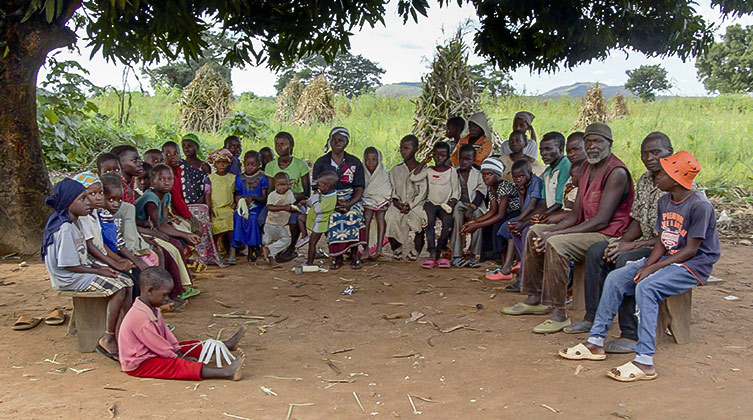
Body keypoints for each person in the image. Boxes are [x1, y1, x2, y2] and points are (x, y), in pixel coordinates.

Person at [559, 150, 719, 382]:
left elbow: (691, 250)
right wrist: (648, 264)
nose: (656, 177)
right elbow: (665, 240)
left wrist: (652, 269)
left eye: (662, 174)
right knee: (616, 278)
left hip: (693, 266)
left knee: (647, 287)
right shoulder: (665, 201)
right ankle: (595, 342)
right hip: (670, 257)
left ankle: (645, 360)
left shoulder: (699, 206)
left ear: (675, 179)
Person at [502, 122, 634, 334]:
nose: (592, 146)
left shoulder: (616, 172)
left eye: (598, 142)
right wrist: (549, 229)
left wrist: (556, 234)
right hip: (588, 228)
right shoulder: (587, 169)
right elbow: (575, 214)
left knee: (556, 244)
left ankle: (559, 312)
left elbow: (601, 220)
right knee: (535, 230)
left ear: (609, 144)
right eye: (589, 142)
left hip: (608, 234)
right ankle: (535, 297)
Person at [563, 132, 676, 353]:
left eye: (656, 153)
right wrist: (621, 242)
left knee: (624, 261)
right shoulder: (645, 179)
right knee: (598, 251)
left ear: (669, 153)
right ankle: (593, 317)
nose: (649, 158)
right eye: (645, 154)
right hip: (644, 241)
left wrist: (628, 247)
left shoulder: (677, 182)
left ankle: (631, 334)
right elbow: (636, 219)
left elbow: (672, 235)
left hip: (666, 248)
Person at [42, 178, 133, 362]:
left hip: (78, 271)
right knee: (118, 288)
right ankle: (108, 337)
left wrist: (99, 267)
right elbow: (69, 265)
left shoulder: (75, 223)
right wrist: (99, 271)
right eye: (82, 199)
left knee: (127, 282)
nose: (87, 202)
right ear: (68, 202)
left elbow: (81, 256)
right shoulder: (65, 228)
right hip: (68, 277)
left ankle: (128, 331)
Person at [118, 267, 246, 381]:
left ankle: (226, 345)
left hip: (152, 351)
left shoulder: (152, 308)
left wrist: (176, 349)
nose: (167, 299)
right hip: (139, 364)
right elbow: (158, 345)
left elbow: (165, 334)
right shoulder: (141, 318)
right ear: (150, 291)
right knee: (177, 366)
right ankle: (226, 372)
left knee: (186, 346)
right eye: (165, 295)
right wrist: (178, 358)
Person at [311, 127, 366, 270]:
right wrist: (331, 202)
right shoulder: (321, 162)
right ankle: (337, 256)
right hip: (328, 198)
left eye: (340, 140)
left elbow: (359, 187)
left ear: (346, 142)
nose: (336, 143)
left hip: (350, 198)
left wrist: (349, 203)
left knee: (354, 214)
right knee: (332, 216)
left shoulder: (354, 162)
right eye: (333, 140)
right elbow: (316, 188)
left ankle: (354, 254)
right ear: (329, 141)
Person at [163, 141, 222, 268]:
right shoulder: (167, 174)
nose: (172, 157)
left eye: (175, 153)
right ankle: (185, 260)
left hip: (177, 211)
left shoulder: (180, 170)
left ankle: (189, 258)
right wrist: (190, 216)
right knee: (194, 227)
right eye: (168, 154)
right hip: (170, 214)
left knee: (199, 227)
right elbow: (177, 199)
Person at [488, 159, 542, 285]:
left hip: (534, 216)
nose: (518, 180)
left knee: (515, 227)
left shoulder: (536, 182)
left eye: (521, 176)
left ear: (530, 173)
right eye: (515, 177)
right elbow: (523, 206)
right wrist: (522, 194)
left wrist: (520, 220)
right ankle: (509, 264)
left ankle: (515, 265)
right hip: (525, 215)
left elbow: (532, 206)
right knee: (507, 228)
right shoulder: (521, 186)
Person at [461, 158, 521, 265]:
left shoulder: (504, 186)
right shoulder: (491, 187)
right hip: (504, 213)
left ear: (498, 174)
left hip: (515, 212)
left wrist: (477, 225)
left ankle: (504, 262)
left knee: (498, 228)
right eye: (483, 174)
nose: (485, 177)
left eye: (489, 174)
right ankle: (489, 257)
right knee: (487, 227)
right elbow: (493, 210)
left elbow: (500, 215)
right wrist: (474, 222)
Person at [411, 141, 460, 269]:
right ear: (432, 155)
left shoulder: (451, 171)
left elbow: (456, 190)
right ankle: (432, 252)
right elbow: (414, 177)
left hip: (445, 204)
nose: (439, 158)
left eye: (443, 155)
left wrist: (452, 202)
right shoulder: (429, 170)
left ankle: (441, 249)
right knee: (429, 222)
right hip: (431, 202)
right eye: (436, 155)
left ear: (448, 156)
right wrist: (424, 162)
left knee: (447, 224)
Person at [264, 132, 311, 261]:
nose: (279, 147)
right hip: (275, 201)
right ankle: (271, 248)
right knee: (260, 219)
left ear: (291, 145)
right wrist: (280, 201)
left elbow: (306, 192)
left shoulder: (300, 165)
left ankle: (291, 248)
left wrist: (290, 198)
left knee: (295, 220)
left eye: (283, 144)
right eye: (277, 144)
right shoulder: (270, 166)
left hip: (295, 202)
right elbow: (269, 190)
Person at [384, 135, 428, 261]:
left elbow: (423, 192)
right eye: (401, 148)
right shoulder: (395, 170)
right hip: (399, 204)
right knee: (391, 216)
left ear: (416, 149)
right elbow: (392, 190)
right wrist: (397, 203)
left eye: (407, 148)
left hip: (417, 204)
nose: (403, 151)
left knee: (419, 218)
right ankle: (396, 247)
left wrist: (411, 205)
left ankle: (417, 248)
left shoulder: (424, 170)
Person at [450, 144, 486, 268]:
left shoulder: (478, 174)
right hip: (459, 203)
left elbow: (481, 192)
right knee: (456, 215)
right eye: (462, 159)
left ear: (473, 160)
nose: (464, 161)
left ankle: (473, 255)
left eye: (468, 159)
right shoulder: (454, 172)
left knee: (478, 218)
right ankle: (457, 255)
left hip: (475, 204)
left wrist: (471, 208)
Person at [233, 150, 268, 261]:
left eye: (253, 165)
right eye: (247, 164)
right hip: (243, 206)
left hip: (257, 206)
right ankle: (237, 245)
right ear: (244, 164)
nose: (250, 167)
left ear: (259, 164)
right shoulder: (239, 178)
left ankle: (253, 246)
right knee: (238, 217)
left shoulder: (262, 178)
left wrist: (253, 197)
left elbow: (264, 198)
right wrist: (238, 199)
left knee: (253, 218)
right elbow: (237, 193)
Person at [206, 149, 237, 263]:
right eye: (219, 162)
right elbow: (207, 194)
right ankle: (216, 253)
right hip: (216, 209)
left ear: (229, 163)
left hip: (228, 209)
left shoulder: (232, 178)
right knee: (215, 228)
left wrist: (235, 203)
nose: (222, 164)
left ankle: (232, 252)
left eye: (224, 162)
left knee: (232, 226)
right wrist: (209, 208)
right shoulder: (210, 178)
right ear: (214, 164)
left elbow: (236, 193)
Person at [303, 171, 339, 267]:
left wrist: (314, 196)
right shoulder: (325, 193)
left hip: (320, 223)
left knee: (312, 243)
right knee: (300, 217)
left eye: (320, 185)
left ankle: (309, 262)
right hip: (315, 220)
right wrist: (306, 203)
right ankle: (304, 235)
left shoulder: (330, 199)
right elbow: (315, 204)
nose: (318, 187)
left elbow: (318, 208)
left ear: (327, 186)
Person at [361, 146, 392, 260]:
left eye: (374, 159)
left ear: (378, 160)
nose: (370, 162)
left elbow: (386, 189)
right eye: (367, 159)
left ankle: (379, 248)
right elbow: (362, 189)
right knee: (367, 216)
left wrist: (380, 200)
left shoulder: (383, 173)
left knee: (381, 216)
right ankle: (366, 248)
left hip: (380, 200)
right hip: (366, 200)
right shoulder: (362, 172)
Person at [264, 173, 296, 265]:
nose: (282, 187)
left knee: (285, 240)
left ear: (289, 184)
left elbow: (292, 205)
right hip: (270, 223)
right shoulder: (272, 195)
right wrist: (284, 208)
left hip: (280, 224)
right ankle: (269, 254)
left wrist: (293, 208)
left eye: (284, 185)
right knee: (274, 240)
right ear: (275, 185)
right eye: (279, 185)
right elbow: (269, 207)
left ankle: (270, 253)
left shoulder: (289, 193)